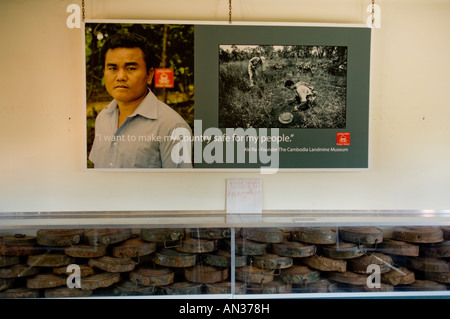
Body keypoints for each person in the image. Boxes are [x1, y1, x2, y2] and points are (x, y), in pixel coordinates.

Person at [89, 32, 192, 169]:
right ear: (104, 73)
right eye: (113, 68)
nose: (120, 76)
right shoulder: (103, 118)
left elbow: (181, 186)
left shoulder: (172, 127)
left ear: (149, 75)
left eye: (131, 68)